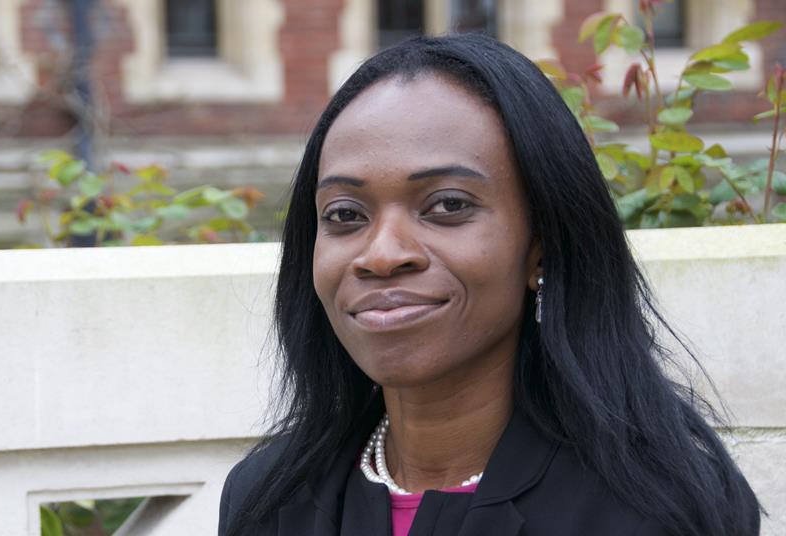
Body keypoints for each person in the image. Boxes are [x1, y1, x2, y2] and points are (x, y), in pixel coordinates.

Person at [217, 33, 760, 536]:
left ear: (541, 243)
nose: (381, 254)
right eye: (344, 215)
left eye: (447, 206)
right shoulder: (269, 501)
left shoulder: (655, 511)